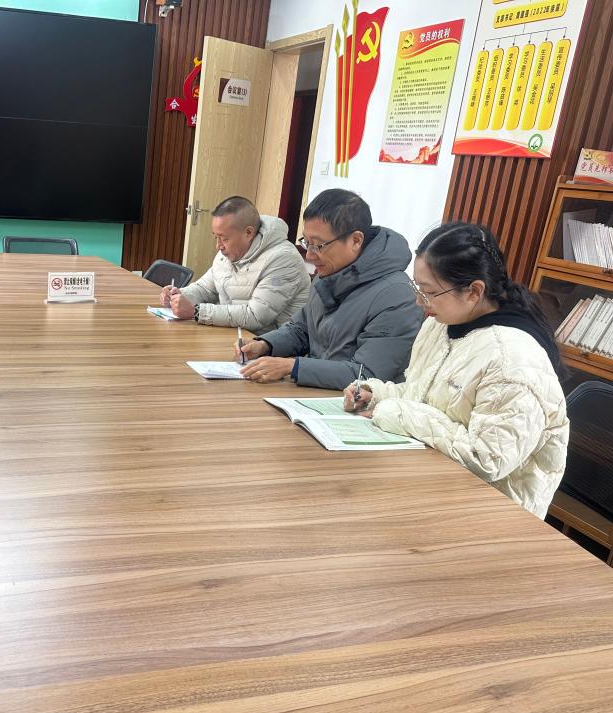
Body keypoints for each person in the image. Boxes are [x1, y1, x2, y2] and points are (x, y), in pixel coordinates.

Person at [343, 223, 568, 519]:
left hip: (491, 513)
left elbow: (487, 458)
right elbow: (422, 393)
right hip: (430, 482)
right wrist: (376, 395)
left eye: (429, 292)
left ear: (474, 291)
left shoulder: (511, 358)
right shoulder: (440, 324)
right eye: (417, 288)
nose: (419, 301)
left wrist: (394, 412)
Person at [237, 189, 423, 389]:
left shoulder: (397, 296)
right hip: (314, 391)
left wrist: (293, 367)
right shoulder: (327, 274)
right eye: (306, 243)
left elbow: (367, 374)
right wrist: (266, 344)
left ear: (356, 240)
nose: (309, 255)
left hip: (353, 403)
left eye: (318, 245)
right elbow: (303, 329)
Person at [159, 196, 309, 333]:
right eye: (216, 237)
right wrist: (179, 296)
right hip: (233, 334)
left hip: (269, 344)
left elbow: (256, 316)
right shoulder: (227, 253)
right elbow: (205, 288)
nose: (218, 246)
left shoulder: (283, 259)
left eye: (224, 239)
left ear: (248, 233)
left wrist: (196, 312)